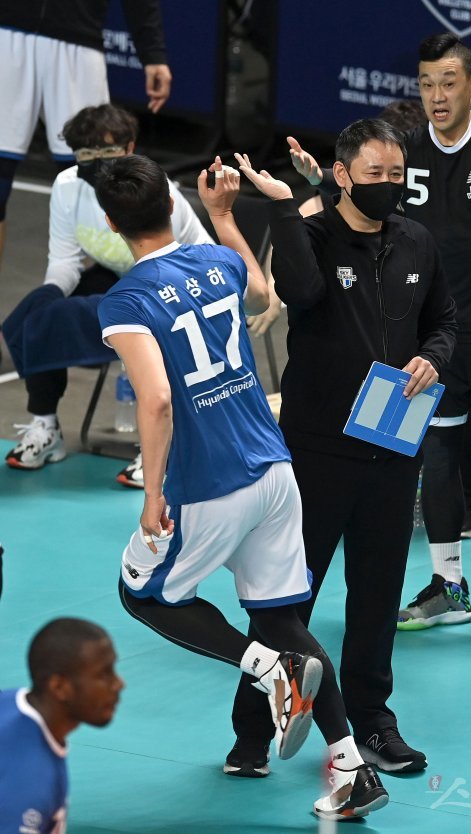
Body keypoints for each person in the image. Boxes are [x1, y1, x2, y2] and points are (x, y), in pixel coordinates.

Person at [95, 153, 389, 821]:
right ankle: (351, 769)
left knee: (143, 593)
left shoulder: (127, 301)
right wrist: (224, 218)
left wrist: (152, 495)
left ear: (112, 224)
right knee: (282, 619)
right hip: (275, 471)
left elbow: (157, 400)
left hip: (210, 483)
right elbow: (263, 296)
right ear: (174, 207)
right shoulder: (216, 260)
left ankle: (265, 668)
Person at [286, 33, 471, 629]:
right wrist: (321, 181)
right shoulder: (406, 149)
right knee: (436, 458)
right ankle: (449, 588)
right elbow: (362, 185)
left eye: (449, 83)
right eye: (427, 84)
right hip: (433, 340)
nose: (437, 96)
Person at [227, 118, 457, 777]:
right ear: (342, 175)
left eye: (397, 174)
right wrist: (284, 207)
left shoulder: (417, 241)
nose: (388, 184)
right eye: (374, 173)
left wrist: (433, 357)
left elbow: (444, 320)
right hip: (317, 454)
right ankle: (252, 731)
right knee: (287, 600)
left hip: (394, 451)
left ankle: (373, 723)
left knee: (377, 598)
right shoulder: (313, 235)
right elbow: (299, 292)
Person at [2, 104, 214, 487]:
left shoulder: (153, 191)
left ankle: (167, 445)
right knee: (34, 313)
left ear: (130, 147)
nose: (97, 161)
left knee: (63, 318)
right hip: (119, 279)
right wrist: (49, 295)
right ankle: (46, 425)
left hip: (173, 288)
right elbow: (64, 260)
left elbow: (196, 261)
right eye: (87, 153)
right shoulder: (68, 188)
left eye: (108, 150)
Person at [0, 0, 171, 267]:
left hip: (78, 40)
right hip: (6, 32)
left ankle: (115, 286)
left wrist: (153, 53)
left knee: (99, 177)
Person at [0, 617, 124, 832]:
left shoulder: (10, 701)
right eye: (103, 675)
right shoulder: (33, 783)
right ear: (59, 687)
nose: (119, 684)